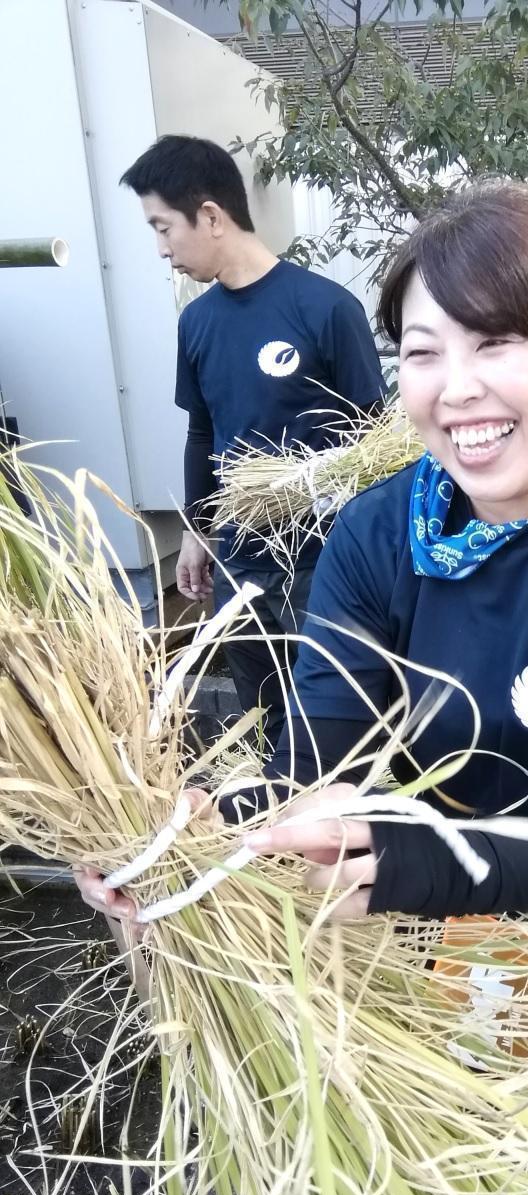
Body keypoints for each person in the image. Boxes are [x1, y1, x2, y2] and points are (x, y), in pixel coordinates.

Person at [79, 181, 528, 1195]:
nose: (458, 389)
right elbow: (320, 773)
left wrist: (405, 863)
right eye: (424, 352)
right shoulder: (378, 535)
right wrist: (198, 845)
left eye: (498, 342)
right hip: (455, 949)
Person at [120, 135, 386, 747]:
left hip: (322, 557)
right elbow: (202, 433)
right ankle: (273, 821)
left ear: (210, 216)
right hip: (240, 556)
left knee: (334, 715)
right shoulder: (198, 322)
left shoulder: (324, 309)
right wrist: (196, 531)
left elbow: (375, 439)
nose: (162, 250)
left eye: (164, 228)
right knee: (260, 712)